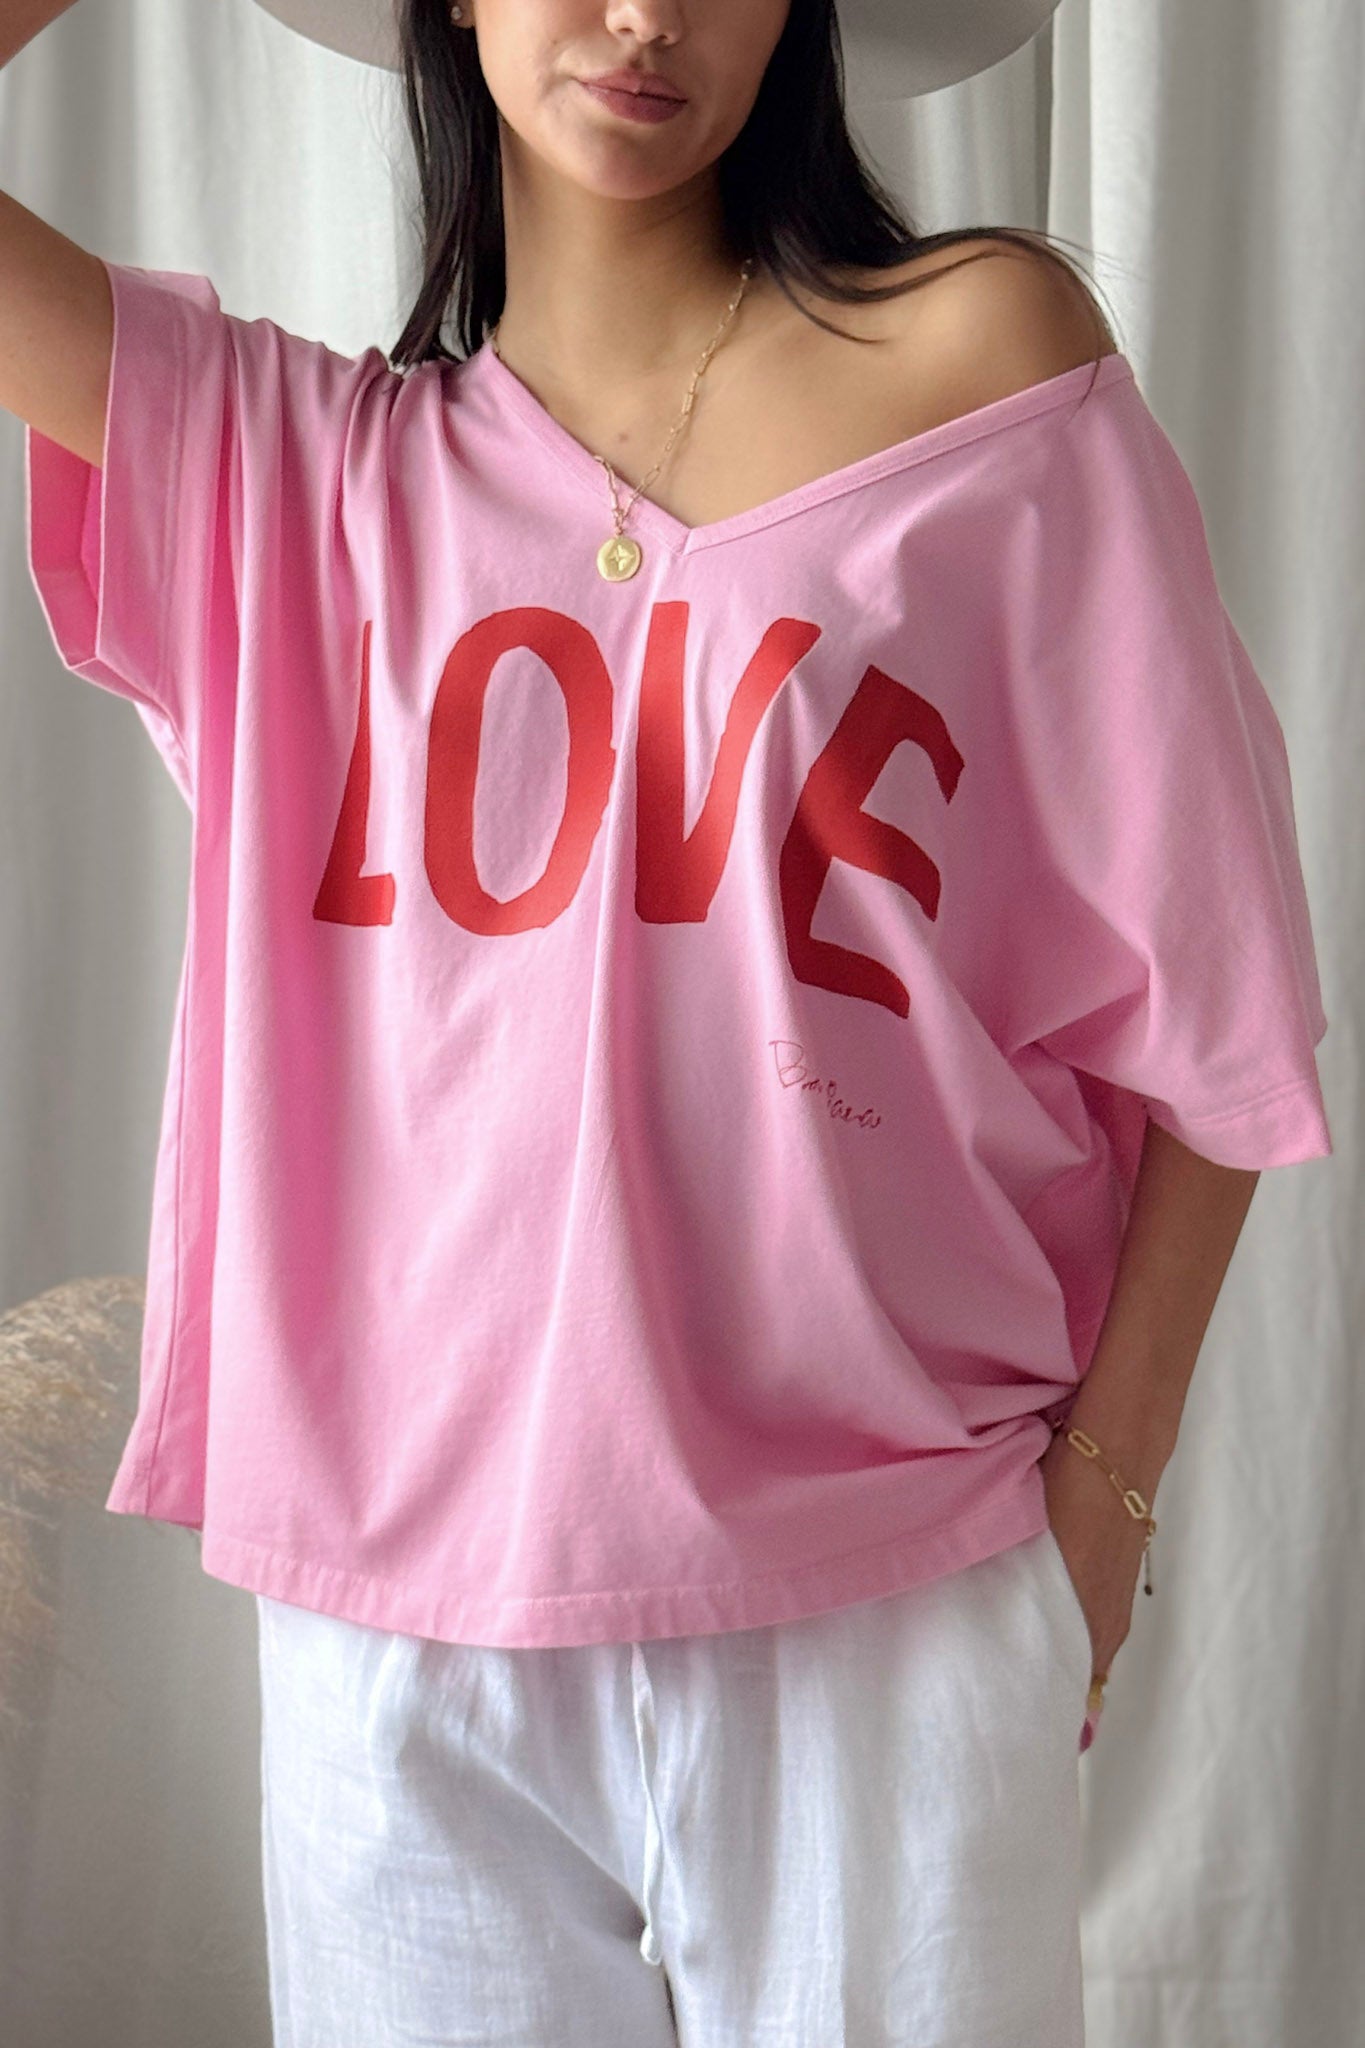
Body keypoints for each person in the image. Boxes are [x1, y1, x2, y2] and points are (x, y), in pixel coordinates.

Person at [2, 1, 1333, 2042]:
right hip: (403, 1636)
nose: (643, 16)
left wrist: (1109, 1487)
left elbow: (1213, 999)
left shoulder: (985, 363)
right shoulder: (293, 472)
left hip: (888, 1598)